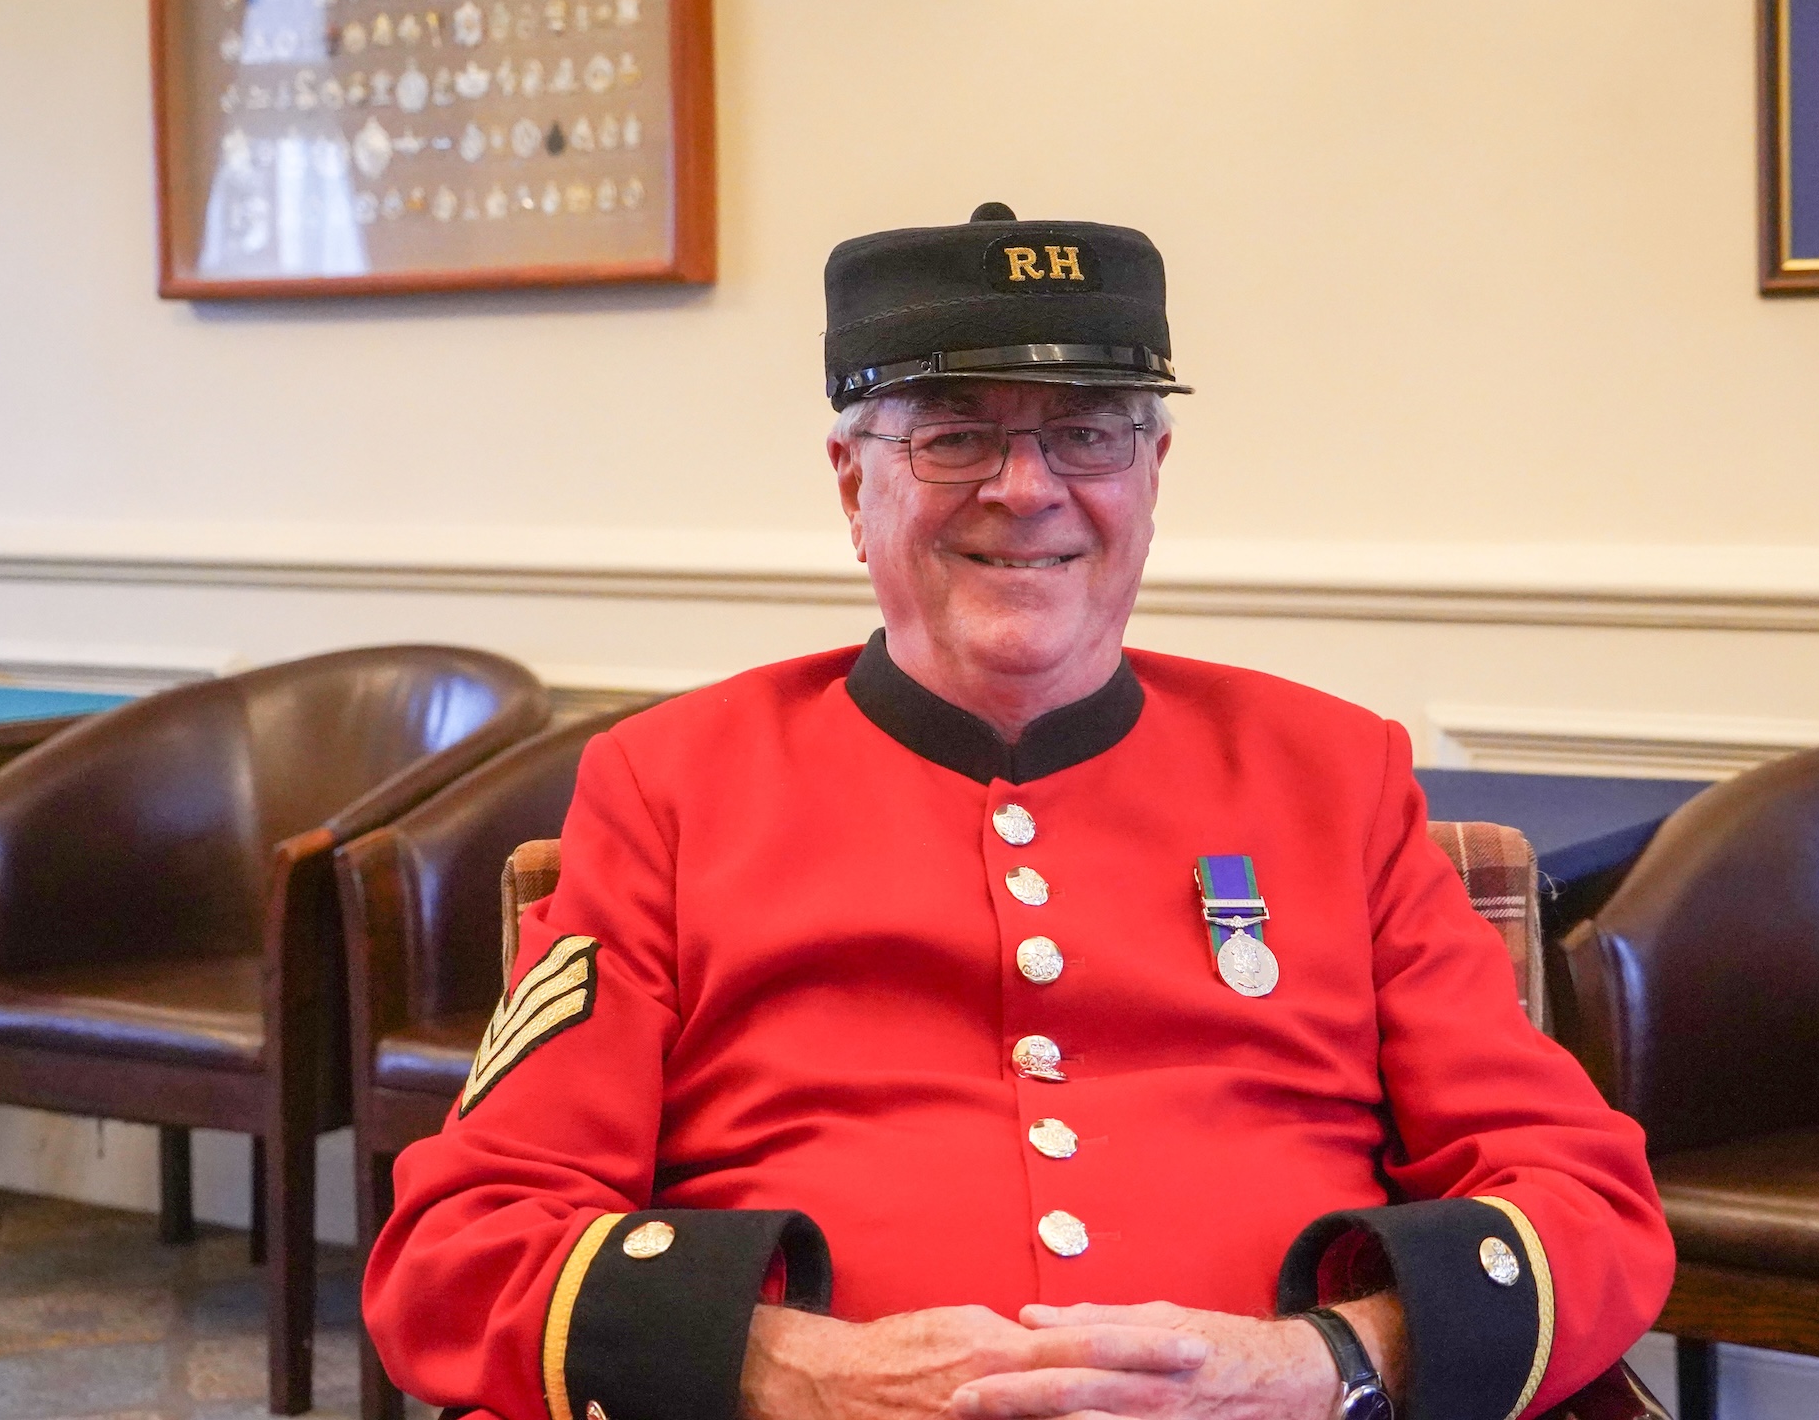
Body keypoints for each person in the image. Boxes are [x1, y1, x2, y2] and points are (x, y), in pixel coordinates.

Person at [363, 204, 1674, 1420]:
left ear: (1152, 468)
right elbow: (466, 1246)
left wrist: (1318, 1367)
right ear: (850, 480)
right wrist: (802, 1373)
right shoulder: (671, 786)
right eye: (954, 435)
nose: (1028, 487)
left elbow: (1584, 1198)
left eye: (1088, 431)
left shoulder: (1336, 774)